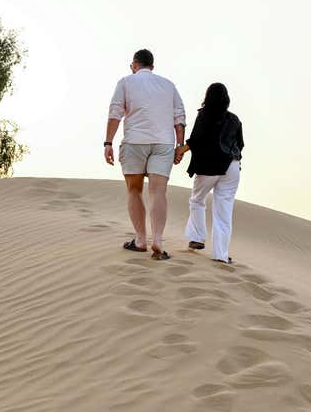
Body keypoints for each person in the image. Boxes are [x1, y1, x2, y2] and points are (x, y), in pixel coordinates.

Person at [104, 49, 186, 260]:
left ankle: (141, 240)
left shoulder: (125, 82)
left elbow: (115, 113)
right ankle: (157, 239)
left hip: (135, 142)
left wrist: (108, 142)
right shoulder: (169, 85)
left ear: (134, 64)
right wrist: (180, 145)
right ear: (152, 65)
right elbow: (179, 117)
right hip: (163, 143)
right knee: (158, 192)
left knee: (134, 190)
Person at [174, 83, 244, 263]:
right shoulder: (235, 120)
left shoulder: (204, 114)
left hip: (209, 166)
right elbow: (240, 144)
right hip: (232, 166)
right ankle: (221, 255)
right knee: (224, 211)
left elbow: (197, 138)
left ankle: (197, 238)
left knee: (197, 200)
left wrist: (181, 150)